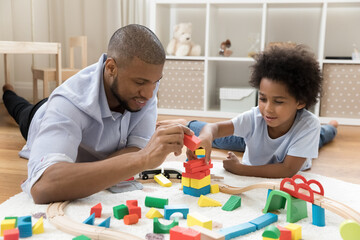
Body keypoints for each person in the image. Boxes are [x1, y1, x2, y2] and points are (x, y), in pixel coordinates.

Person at [2, 24, 193, 204]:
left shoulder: (145, 89)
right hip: (39, 116)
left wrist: (91, 171)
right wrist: (141, 159)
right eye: (140, 83)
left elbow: (135, 148)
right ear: (111, 68)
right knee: (19, 108)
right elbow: (43, 186)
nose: (150, 94)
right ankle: (8, 92)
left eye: (155, 82)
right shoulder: (67, 103)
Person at [162, 45, 337, 178]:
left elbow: (287, 169)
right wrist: (207, 137)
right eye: (262, 99)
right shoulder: (256, 117)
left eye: (278, 101)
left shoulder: (308, 126)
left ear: (300, 102)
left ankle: (332, 126)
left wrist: (240, 169)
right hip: (260, 142)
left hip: (300, 146)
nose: (268, 108)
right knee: (227, 139)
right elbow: (214, 128)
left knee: (322, 135)